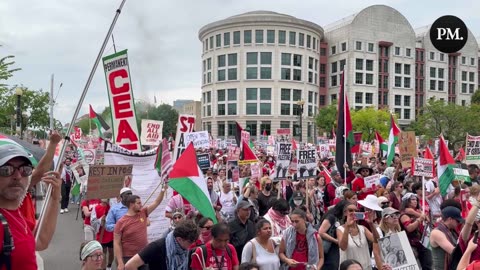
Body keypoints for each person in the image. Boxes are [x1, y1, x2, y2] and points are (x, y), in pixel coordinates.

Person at [0, 143, 62, 269]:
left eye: (25, 170)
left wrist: (54, 200)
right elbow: (40, 172)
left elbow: (41, 241)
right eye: (6, 170)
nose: (17, 176)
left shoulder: (17, 215)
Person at [114, 183, 168, 270]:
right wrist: (120, 262)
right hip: (128, 258)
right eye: (138, 203)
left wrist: (163, 189)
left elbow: (157, 202)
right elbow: (117, 243)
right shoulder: (121, 222)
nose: (141, 205)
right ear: (131, 205)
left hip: (143, 255)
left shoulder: (143, 213)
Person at [124, 220, 199, 270]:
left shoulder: (184, 250)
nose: (192, 244)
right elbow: (130, 265)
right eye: (190, 241)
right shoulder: (157, 246)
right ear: (179, 239)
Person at [337, 202, 383, 270]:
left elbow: (376, 240)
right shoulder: (340, 229)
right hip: (349, 267)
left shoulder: (362, 228)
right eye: (350, 210)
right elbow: (343, 247)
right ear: (345, 213)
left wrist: (371, 224)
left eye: (356, 211)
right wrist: (347, 227)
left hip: (365, 267)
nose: (354, 213)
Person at [399, 192, 432, 270]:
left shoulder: (418, 211)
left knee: (427, 265)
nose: (415, 201)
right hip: (411, 244)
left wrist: (417, 214)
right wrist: (419, 219)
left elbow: (427, 220)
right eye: (412, 199)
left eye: (416, 199)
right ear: (407, 201)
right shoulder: (404, 215)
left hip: (422, 242)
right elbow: (409, 228)